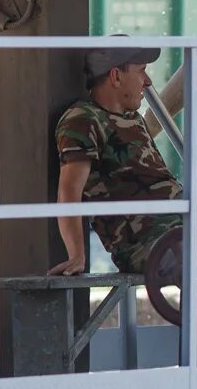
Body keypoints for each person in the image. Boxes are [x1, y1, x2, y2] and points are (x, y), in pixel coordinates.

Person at [48, 42, 183, 276]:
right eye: (141, 71)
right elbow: (69, 191)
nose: (148, 81)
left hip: (187, 231)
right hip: (147, 244)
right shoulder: (82, 120)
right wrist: (77, 255)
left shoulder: (133, 119)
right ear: (116, 76)